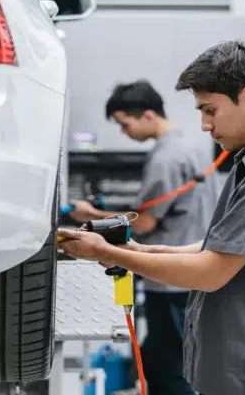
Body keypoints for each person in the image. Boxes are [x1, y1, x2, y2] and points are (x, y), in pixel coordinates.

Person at [58, 40, 245, 395]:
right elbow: (216, 249)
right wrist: (140, 251)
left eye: (210, 110)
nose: (204, 124)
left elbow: (211, 271)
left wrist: (107, 253)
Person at [66, 79, 219, 395]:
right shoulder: (193, 145)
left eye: (125, 124)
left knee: (170, 369)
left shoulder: (166, 157)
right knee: (164, 360)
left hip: (171, 277)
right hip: (190, 272)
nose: (124, 133)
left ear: (148, 115)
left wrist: (90, 217)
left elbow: (146, 222)